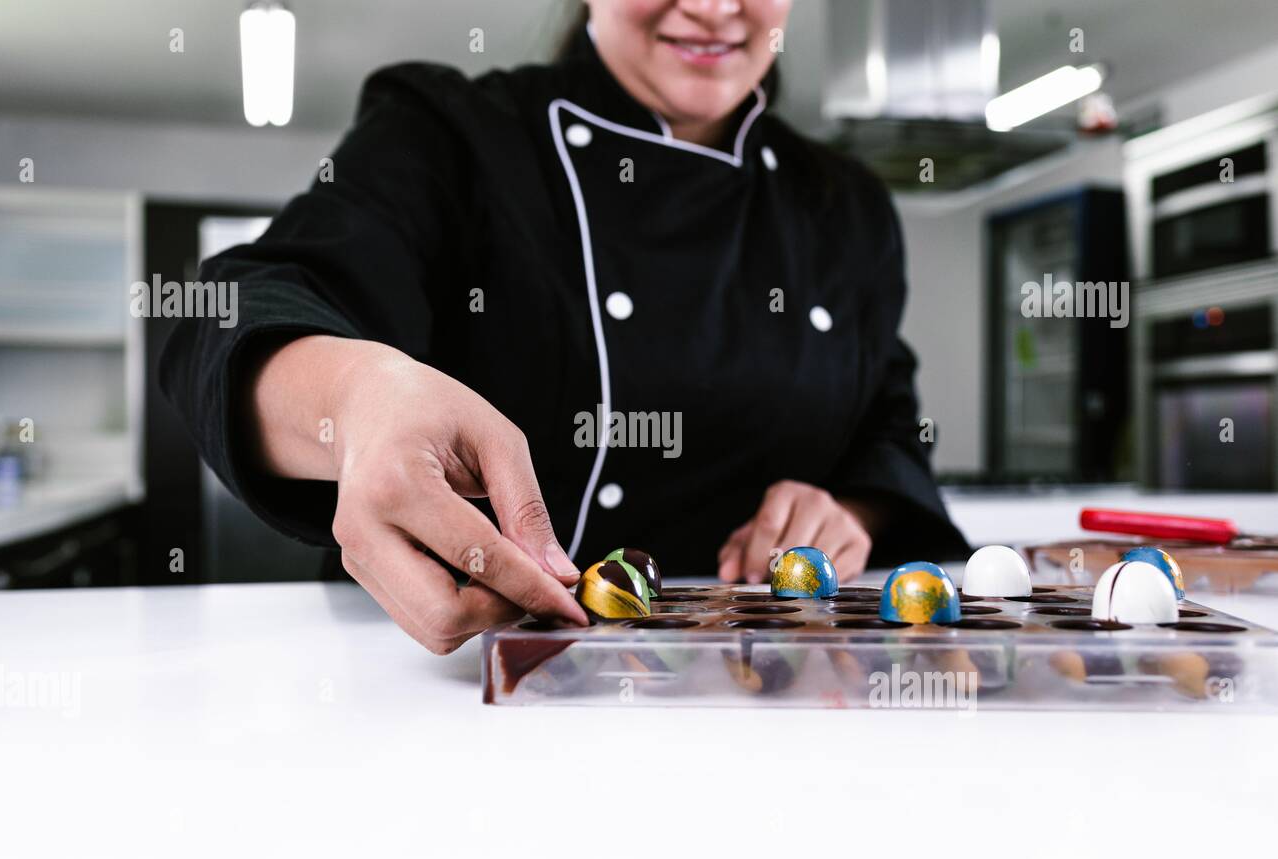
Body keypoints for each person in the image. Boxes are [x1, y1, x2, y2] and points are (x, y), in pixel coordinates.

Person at [161, 0, 969, 654]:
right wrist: (357, 399)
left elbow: (889, 428)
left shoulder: (846, 205)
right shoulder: (452, 133)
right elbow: (233, 308)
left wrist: (850, 514)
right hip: (457, 687)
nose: (715, 7)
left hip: (765, 684)